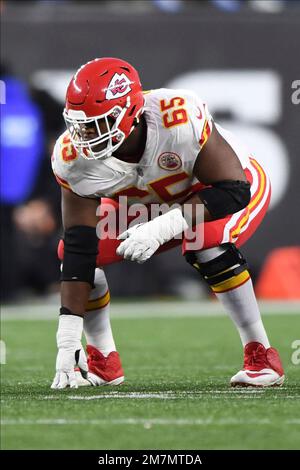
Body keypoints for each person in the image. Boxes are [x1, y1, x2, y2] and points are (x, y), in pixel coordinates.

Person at [50, 57, 284, 389]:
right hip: (146, 203)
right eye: (80, 124)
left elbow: (233, 191)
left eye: (98, 124)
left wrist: (164, 227)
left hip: (214, 192)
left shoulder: (178, 117)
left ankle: (260, 354)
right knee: (78, 254)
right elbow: (79, 244)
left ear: (129, 113)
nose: (85, 135)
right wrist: (67, 337)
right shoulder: (72, 159)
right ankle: (101, 360)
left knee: (206, 242)